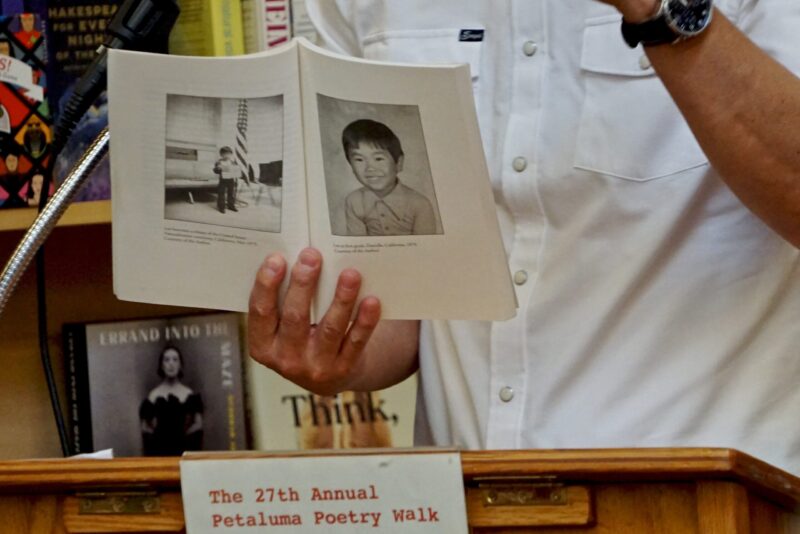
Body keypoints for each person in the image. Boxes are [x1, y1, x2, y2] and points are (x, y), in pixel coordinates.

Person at [247, 0, 800, 476]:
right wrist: (333, 349)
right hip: (468, 496)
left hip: (706, 499)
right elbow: (405, 304)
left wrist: (660, 11)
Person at [340, 119, 437, 236]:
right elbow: (356, 247)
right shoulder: (353, 201)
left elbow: (427, 248)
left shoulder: (420, 204)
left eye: (379, 159)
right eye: (359, 159)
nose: (370, 168)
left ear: (399, 163)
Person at [139, 345, 204, 456]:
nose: (171, 364)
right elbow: (145, 427)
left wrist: (182, 439)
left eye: (175, 359)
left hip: (183, 451)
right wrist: (158, 439)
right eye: (167, 360)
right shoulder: (154, 395)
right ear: (161, 365)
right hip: (159, 453)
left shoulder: (189, 394)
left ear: (180, 365)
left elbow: (198, 425)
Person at [213, 145, 239, 214]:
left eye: (228, 154)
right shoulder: (219, 162)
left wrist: (236, 171)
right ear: (221, 154)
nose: (227, 155)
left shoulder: (233, 162)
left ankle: (231, 205)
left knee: (231, 193)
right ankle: (221, 207)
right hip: (223, 180)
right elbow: (215, 171)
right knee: (221, 193)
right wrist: (218, 169)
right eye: (225, 154)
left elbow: (236, 171)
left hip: (231, 179)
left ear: (231, 154)